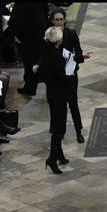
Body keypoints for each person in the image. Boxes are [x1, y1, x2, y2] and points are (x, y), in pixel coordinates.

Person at [50, 7, 88, 144]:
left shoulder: (71, 34)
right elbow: (46, 54)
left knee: (73, 104)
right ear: (52, 21)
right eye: (56, 20)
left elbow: (78, 52)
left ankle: (79, 131)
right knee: (56, 106)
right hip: (56, 77)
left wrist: (79, 58)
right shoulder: (49, 35)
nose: (59, 22)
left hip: (70, 75)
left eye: (61, 19)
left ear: (65, 20)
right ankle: (56, 131)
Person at [39, 27, 71, 175]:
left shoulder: (46, 52)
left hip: (52, 92)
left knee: (57, 124)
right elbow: (63, 78)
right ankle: (52, 158)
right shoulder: (57, 57)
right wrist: (70, 72)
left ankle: (59, 155)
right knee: (59, 128)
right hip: (59, 93)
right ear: (58, 39)